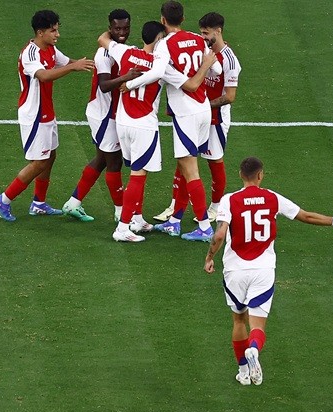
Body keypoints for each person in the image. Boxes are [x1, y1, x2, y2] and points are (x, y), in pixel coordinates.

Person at [204, 157, 333, 384]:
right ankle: (254, 351)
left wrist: (209, 257)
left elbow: (219, 235)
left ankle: (244, 373)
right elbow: (305, 215)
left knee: (238, 320)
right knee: (258, 324)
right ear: (260, 175)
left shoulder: (228, 200)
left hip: (235, 270)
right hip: (263, 270)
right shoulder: (272, 198)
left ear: (240, 175)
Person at [101, 22, 217, 242]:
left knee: (145, 170)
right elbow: (190, 83)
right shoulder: (161, 66)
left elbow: (103, 39)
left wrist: (115, 33)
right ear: (158, 39)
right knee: (141, 174)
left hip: (123, 122)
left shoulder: (125, 52)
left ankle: (140, 219)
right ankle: (123, 228)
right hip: (144, 124)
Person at [0, 10, 94, 222]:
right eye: (52, 30)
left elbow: (67, 62)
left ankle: (38, 203)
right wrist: (74, 67)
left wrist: (91, 64)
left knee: (51, 156)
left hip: (47, 113)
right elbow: (44, 76)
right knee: (39, 162)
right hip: (34, 115)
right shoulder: (30, 54)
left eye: (57, 29)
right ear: (40, 32)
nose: (57, 34)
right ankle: (4, 199)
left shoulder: (51, 49)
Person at [129, 1, 220, 241]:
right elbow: (217, 70)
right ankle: (175, 221)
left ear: (162, 20)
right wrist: (204, 65)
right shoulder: (198, 39)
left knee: (190, 171)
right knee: (183, 167)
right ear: (183, 17)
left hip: (186, 114)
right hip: (203, 110)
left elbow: (188, 84)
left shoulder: (164, 46)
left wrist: (129, 84)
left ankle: (203, 226)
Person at [154, 12, 241, 226]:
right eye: (201, 33)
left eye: (206, 33)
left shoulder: (229, 59)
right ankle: (176, 208)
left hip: (216, 118)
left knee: (214, 161)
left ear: (218, 31)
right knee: (185, 161)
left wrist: (202, 104)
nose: (203, 37)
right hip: (199, 112)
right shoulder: (202, 48)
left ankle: (215, 207)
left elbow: (229, 97)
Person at [60, 9, 141, 225]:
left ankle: (73, 203)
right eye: (117, 28)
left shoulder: (124, 49)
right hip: (105, 116)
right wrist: (127, 77)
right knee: (113, 163)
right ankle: (120, 212)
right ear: (110, 28)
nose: (122, 32)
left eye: (125, 28)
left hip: (110, 113)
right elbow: (104, 85)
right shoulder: (104, 54)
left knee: (101, 161)